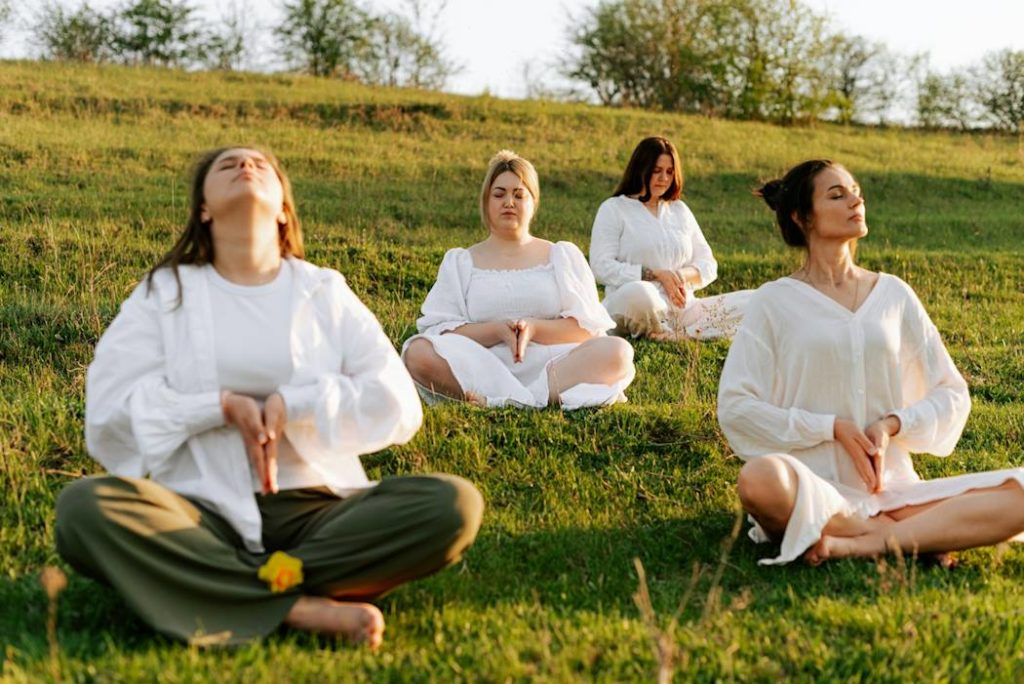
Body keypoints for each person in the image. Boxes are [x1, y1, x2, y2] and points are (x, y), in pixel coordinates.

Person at [54, 147, 484, 647]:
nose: (246, 165)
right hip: (199, 512)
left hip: (318, 514)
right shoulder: (165, 293)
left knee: (452, 504)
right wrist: (217, 408)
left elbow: (395, 401)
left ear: (283, 207)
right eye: (227, 164)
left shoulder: (323, 290)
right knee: (85, 508)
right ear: (203, 209)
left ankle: (219, 587)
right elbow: (108, 414)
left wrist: (293, 405)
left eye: (261, 163)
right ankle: (297, 606)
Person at [717, 159, 1024, 566]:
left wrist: (891, 424)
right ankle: (917, 541)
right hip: (816, 490)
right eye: (837, 194)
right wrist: (830, 428)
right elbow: (736, 408)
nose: (855, 199)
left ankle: (863, 543)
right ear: (801, 216)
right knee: (758, 480)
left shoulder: (894, 294)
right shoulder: (774, 301)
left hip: (894, 493)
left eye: (856, 190)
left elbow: (951, 393)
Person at [402, 150, 635, 408]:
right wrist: (497, 331)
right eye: (499, 194)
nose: (509, 202)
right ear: (486, 203)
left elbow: (588, 329)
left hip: (554, 368)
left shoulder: (561, 255)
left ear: (533, 202)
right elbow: (441, 329)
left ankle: (517, 399)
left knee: (619, 352)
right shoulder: (461, 261)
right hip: (481, 365)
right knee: (417, 352)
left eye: (519, 195)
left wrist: (533, 328)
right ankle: (497, 395)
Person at [589, 136, 751, 339]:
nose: (664, 178)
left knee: (755, 300)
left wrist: (680, 276)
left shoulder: (679, 210)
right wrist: (656, 275)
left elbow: (708, 264)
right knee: (641, 294)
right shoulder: (614, 209)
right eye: (656, 171)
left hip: (683, 309)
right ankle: (670, 330)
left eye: (669, 172)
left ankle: (677, 335)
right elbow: (601, 266)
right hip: (633, 303)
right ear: (640, 169)